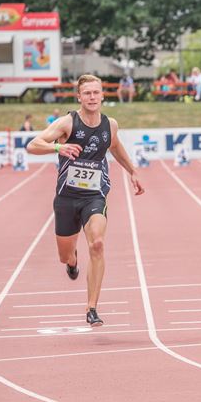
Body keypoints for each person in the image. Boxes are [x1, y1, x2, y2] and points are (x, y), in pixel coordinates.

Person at [26, 74, 145, 327]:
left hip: (94, 195)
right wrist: (58, 148)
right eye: (87, 93)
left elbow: (115, 147)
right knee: (64, 255)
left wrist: (133, 171)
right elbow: (33, 145)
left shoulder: (110, 124)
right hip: (67, 198)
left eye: (96, 92)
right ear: (79, 97)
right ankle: (72, 262)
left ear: (103, 95)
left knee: (98, 244)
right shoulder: (67, 122)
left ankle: (92, 308)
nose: (92, 97)